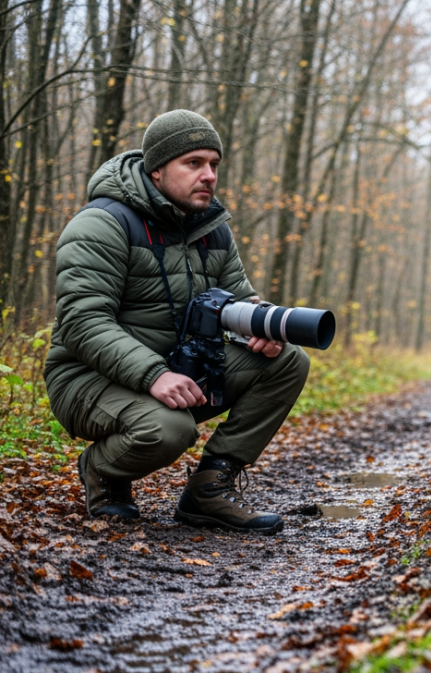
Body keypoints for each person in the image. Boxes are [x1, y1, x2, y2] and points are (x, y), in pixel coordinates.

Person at [44, 110, 311, 535]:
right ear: (156, 170)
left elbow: (237, 300)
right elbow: (82, 322)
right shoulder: (102, 223)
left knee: (287, 361)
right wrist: (154, 375)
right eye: (194, 163)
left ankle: (208, 490)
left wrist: (261, 330)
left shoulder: (213, 230)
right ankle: (103, 470)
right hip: (86, 377)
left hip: (173, 365)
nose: (208, 175)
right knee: (169, 429)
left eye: (214, 165)